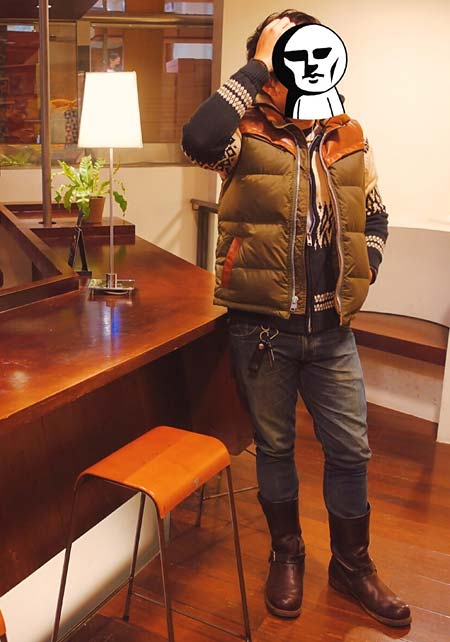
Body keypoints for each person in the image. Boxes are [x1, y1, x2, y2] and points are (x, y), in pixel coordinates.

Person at [181, 8, 411, 628]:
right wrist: (257, 63)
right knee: (275, 448)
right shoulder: (242, 133)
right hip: (262, 330)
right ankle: (287, 554)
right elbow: (197, 139)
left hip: (333, 331)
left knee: (351, 451)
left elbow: (376, 214)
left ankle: (353, 565)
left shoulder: (348, 132)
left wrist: (364, 271)